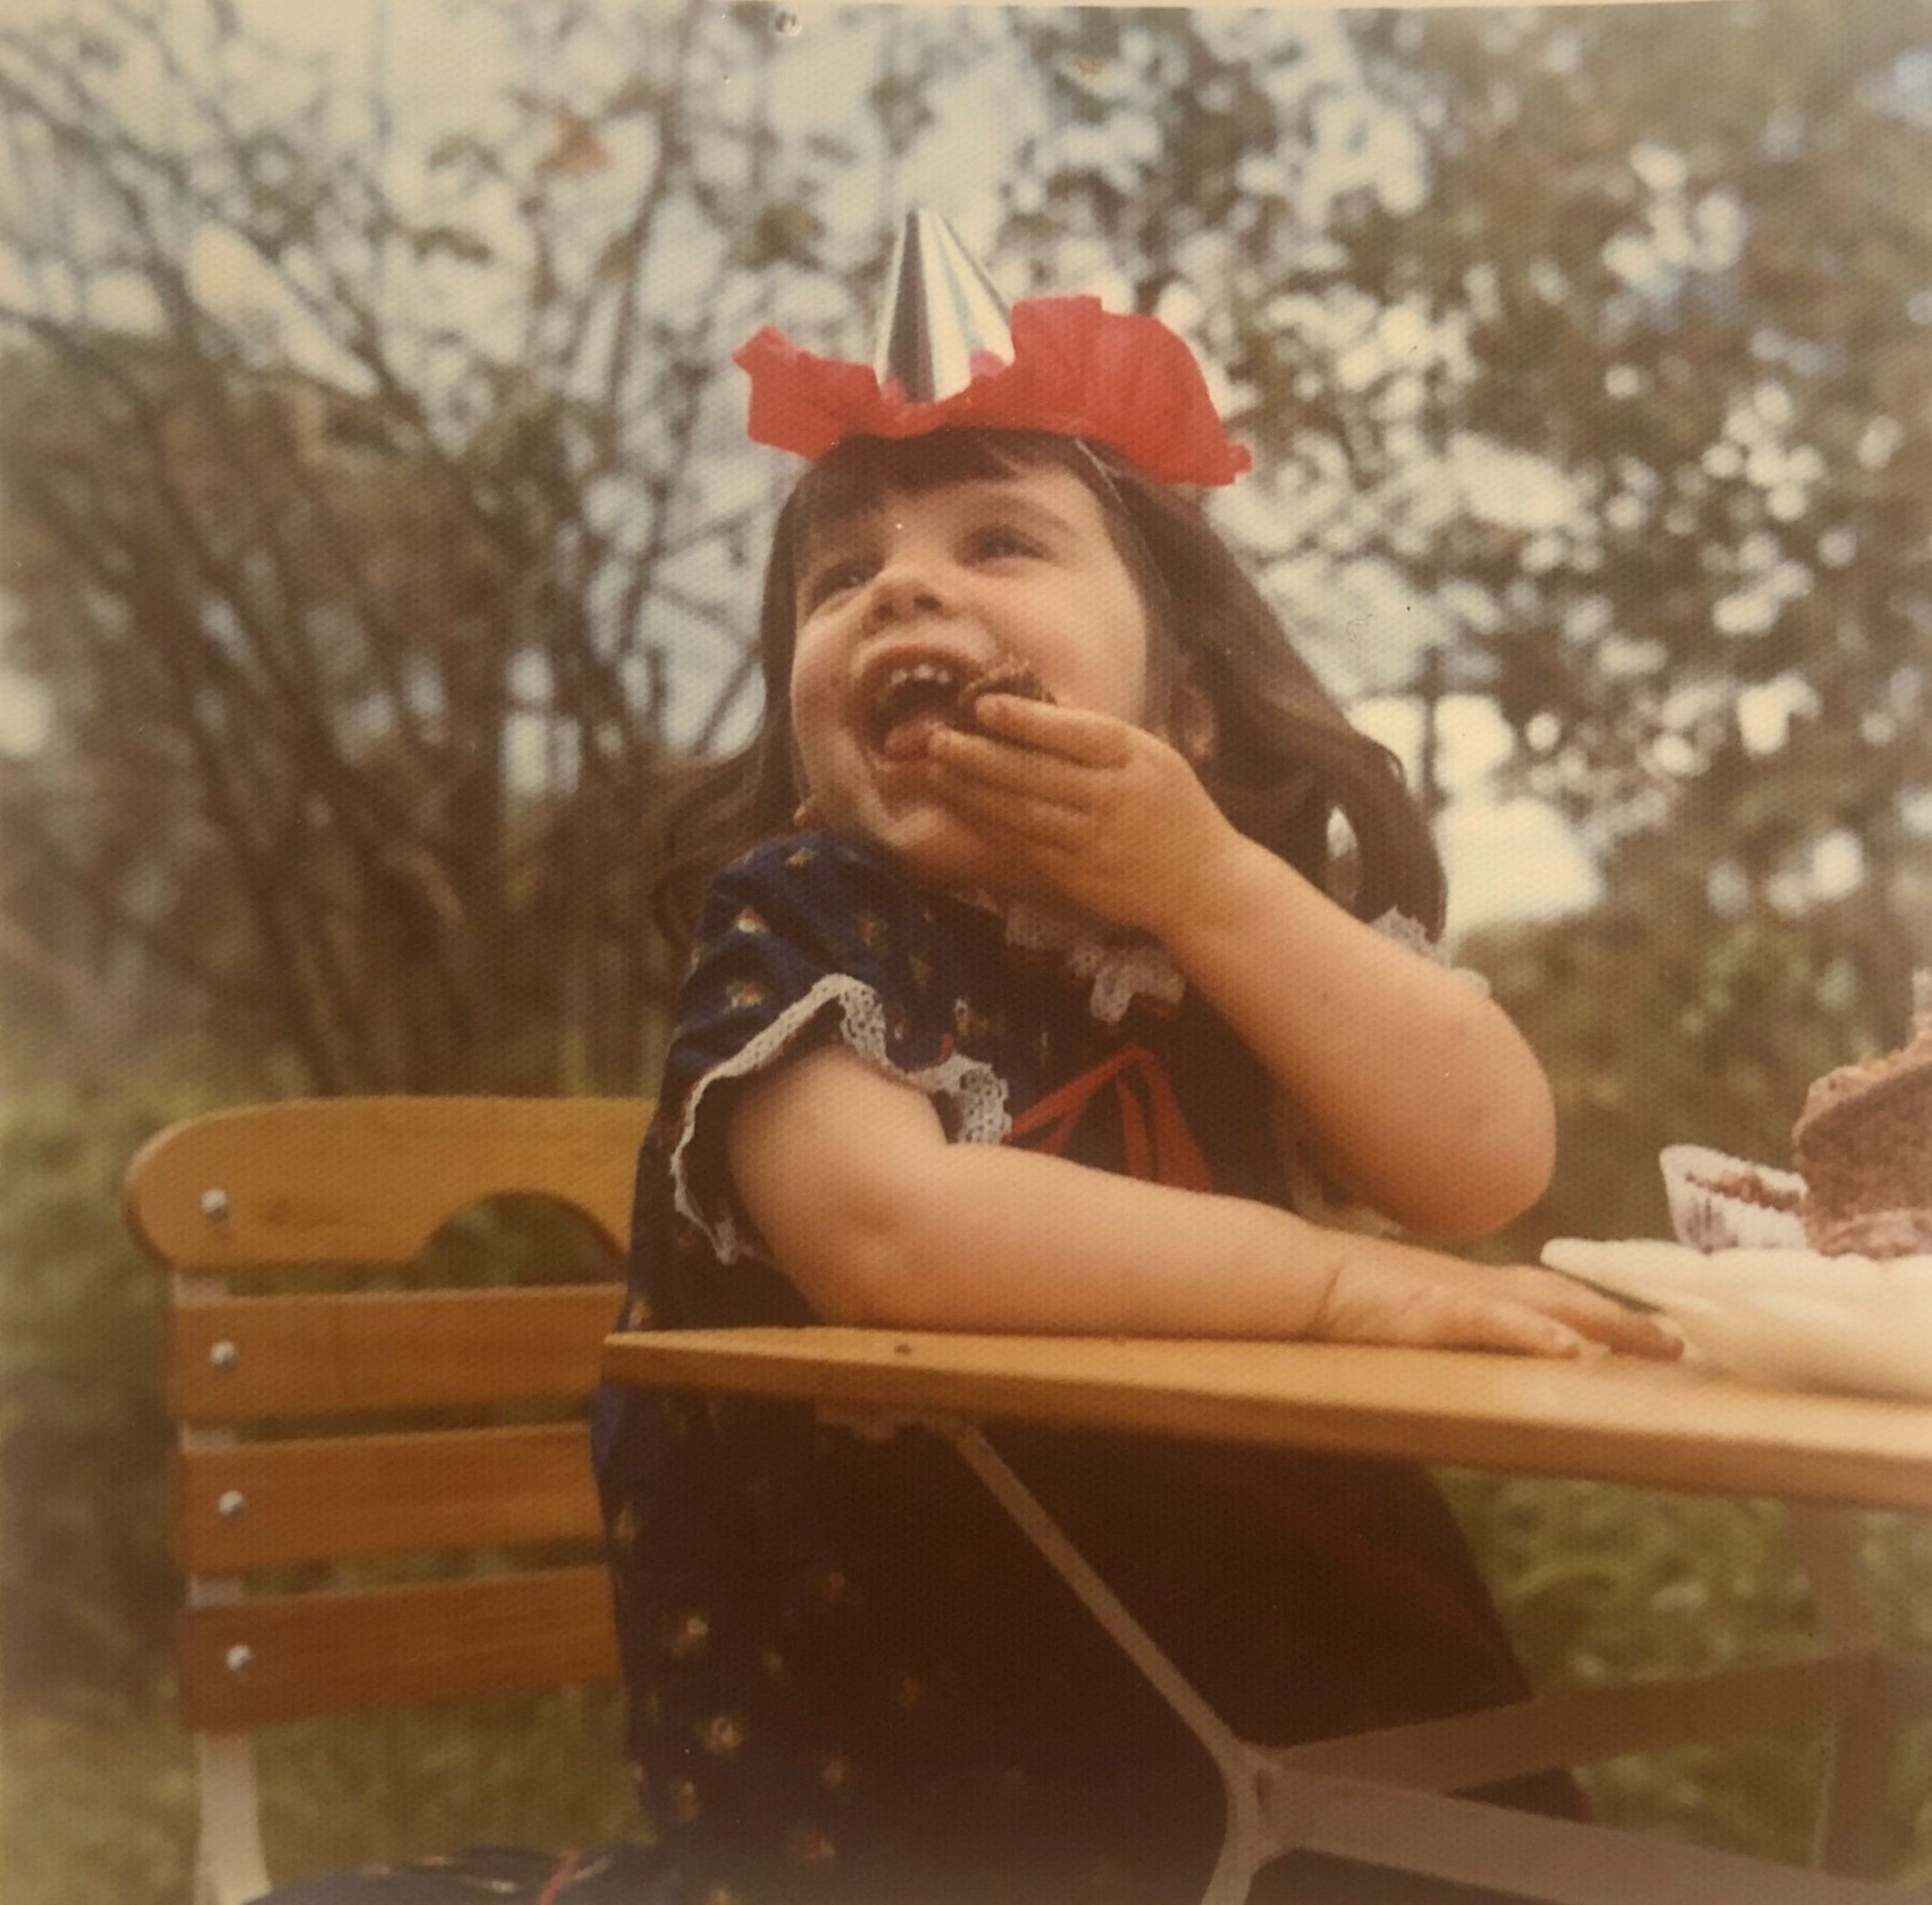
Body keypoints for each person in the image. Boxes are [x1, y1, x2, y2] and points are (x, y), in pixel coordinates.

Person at [592, 215, 1677, 1905]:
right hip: (913, 1779)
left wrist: (1216, 886)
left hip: (1273, 1722)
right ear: (809, 759)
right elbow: (888, 1232)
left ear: (1185, 716)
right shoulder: (803, 924)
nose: (903, 588)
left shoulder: (1216, 949)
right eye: (839, 578)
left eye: (1002, 540)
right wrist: (1338, 1288)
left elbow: (1486, 1160)